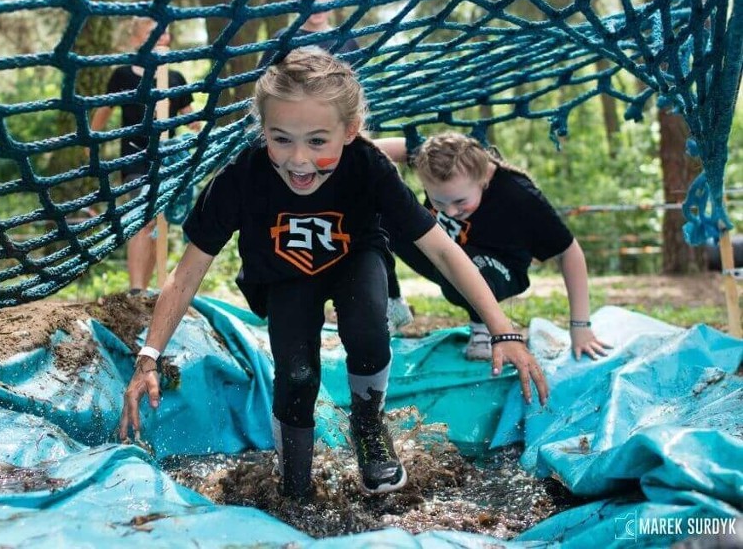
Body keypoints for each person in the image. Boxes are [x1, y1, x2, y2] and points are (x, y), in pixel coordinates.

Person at [119, 48, 549, 500]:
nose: (299, 160)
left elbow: (442, 250)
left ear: (350, 132)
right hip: (284, 274)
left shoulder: (368, 167)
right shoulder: (241, 177)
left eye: (318, 142)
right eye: (281, 139)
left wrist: (503, 330)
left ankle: (367, 424)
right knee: (297, 373)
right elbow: (186, 275)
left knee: (367, 330)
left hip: (354, 260)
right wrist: (148, 356)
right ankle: (295, 482)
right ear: (262, 129)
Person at [375, 133, 611, 362]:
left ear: (484, 178)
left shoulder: (520, 196)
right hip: (444, 256)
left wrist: (580, 326)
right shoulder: (437, 157)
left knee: (464, 261)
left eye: (460, 201)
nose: (450, 212)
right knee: (378, 213)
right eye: (438, 202)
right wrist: (341, 151)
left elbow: (569, 252)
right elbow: (369, 151)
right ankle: (394, 304)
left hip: (500, 271)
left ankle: (483, 327)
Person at [89, 17, 199, 296]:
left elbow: (191, 120)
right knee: (143, 216)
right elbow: (104, 112)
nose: (163, 35)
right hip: (135, 158)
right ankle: (136, 289)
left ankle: (148, 289)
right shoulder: (123, 75)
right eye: (153, 32)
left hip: (167, 160)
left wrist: (204, 130)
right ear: (137, 41)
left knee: (158, 221)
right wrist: (89, 141)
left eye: (165, 31)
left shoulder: (175, 78)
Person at [257, 0, 359, 68]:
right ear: (297, 0)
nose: (318, 2)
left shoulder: (347, 40)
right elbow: (262, 82)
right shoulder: (283, 39)